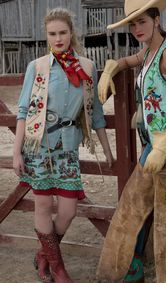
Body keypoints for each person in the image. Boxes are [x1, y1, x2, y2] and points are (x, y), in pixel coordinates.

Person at [96, 0, 166, 282]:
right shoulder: (150, 51)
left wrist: (164, 145)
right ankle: (129, 268)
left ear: (156, 19)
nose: (137, 28)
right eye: (133, 24)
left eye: (142, 21)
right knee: (132, 206)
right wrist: (112, 68)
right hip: (154, 146)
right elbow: (132, 60)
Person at [13, 7, 113, 283]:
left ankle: (45, 254)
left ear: (72, 33)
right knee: (43, 207)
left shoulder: (88, 67)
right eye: (52, 34)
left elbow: (95, 114)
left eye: (63, 33)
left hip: (67, 148)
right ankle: (58, 269)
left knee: (68, 211)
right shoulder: (38, 67)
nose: (58, 39)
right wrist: (16, 153)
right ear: (47, 36)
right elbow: (23, 111)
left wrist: (106, 150)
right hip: (39, 147)